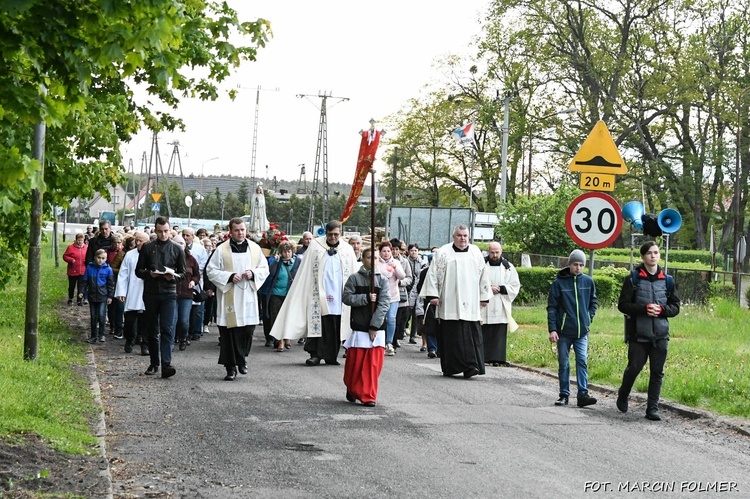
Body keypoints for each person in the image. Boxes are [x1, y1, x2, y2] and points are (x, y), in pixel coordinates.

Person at [270, 220, 359, 366]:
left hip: (339, 294)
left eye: (336, 234)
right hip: (318, 292)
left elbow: (353, 272)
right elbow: (305, 270)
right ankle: (315, 355)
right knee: (318, 323)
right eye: (330, 234)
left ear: (340, 234)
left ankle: (331, 355)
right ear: (326, 233)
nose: (333, 237)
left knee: (335, 324)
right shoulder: (316, 246)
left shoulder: (347, 249)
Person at [616, 241, 681, 421]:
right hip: (638, 334)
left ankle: (652, 408)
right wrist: (644, 309)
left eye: (656, 253)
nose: (653, 256)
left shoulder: (667, 280)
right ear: (643, 256)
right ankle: (623, 393)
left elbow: (675, 307)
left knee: (657, 372)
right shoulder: (633, 279)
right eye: (649, 253)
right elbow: (623, 305)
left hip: (660, 335)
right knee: (634, 368)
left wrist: (661, 310)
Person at [419, 225, 491, 378]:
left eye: (465, 235)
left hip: (471, 301)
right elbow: (432, 275)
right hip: (449, 301)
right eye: (459, 235)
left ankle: (472, 366)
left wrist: (484, 295)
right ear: (454, 236)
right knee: (452, 334)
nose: (462, 238)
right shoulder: (443, 252)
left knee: (471, 333)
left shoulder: (475, 252)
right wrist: (433, 295)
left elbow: (484, 275)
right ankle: (451, 366)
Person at [206, 217, 269, 381]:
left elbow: (264, 269)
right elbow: (211, 270)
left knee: (247, 330)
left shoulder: (254, 248)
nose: (240, 233)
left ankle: (242, 359)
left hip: (248, 295)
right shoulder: (221, 249)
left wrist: (253, 274)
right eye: (237, 230)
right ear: (231, 232)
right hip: (230, 295)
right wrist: (229, 276)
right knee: (229, 333)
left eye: (242, 230)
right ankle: (231, 368)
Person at [135, 216, 186, 379]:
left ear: (170, 230)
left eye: (166, 231)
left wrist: (173, 277)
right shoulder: (148, 247)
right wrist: (149, 273)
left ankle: (166, 363)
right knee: (152, 329)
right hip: (151, 291)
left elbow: (183, 273)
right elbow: (138, 270)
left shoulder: (177, 249)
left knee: (167, 328)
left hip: (169, 292)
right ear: (155, 231)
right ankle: (154, 362)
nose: (163, 234)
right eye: (160, 231)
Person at [547, 249, 598, 407]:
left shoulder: (588, 282)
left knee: (582, 360)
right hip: (563, 332)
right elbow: (552, 308)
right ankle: (564, 394)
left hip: (582, 331)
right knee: (564, 363)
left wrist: (588, 318)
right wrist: (553, 329)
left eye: (582, 265)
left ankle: (583, 394)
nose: (578, 268)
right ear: (569, 264)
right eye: (576, 264)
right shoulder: (559, 284)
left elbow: (593, 302)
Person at [342, 247, 390, 406]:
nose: (373, 261)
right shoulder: (354, 279)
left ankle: (368, 395)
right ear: (363, 260)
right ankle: (353, 387)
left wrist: (375, 325)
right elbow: (347, 298)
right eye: (370, 258)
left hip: (376, 328)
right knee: (356, 364)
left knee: (372, 365)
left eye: (376, 258)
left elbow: (384, 304)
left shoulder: (383, 280)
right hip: (360, 325)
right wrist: (366, 298)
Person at [482, 242, 521, 366]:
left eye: (497, 252)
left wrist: (502, 288)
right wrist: (488, 288)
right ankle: (483, 357)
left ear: (501, 252)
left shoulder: (508, 267)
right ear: (488, 251)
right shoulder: (482, 265)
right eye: (492, 252)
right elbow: (475, 282)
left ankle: (497, 358)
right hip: (486, 303)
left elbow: (515, 285)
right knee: (484, 330)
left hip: (500, 301)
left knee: (499, 331)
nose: (494, 255)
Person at [259, 241, 301, 351]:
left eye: (289, 251)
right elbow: (270, 273)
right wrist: (275, 261)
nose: (287, 254)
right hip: (276, 294)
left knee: (289, 317)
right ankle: (280, 341)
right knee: (276, 317)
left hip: (291, 295)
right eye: (284, 252)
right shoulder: (277, 262)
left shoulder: (298, 262)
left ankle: (287, 338)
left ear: (292, 251)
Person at [115, 232, 150, 355]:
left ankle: (145, 344)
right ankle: (130, 340)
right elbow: (123, 274)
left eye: (141, 241)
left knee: (146, 322)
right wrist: (121, 291)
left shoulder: (153, 254)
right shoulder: (130, 255)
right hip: (133, 291)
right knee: (130, 321)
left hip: (148, 292)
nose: (138, 243)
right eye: (137, 240)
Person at [80, 249, 114, 343]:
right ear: (95, 257)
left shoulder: (108, 269)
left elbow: (111, 284)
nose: (100, 260)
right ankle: (93, 336)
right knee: (93, 316)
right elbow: (85, 281)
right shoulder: (90, 268)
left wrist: (110, 296)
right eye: (99, 258)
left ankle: (102, 334)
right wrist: (81, 292)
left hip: (102, 295)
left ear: (106, 259)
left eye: (103, 258)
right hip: (92, 295)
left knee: (101, 315)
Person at [377, 241, 405, 356]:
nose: (386, 253)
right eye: (384, 251)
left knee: (391, 318)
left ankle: (389, 342)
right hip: (380, 296)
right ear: (380, 252)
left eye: (388, 251)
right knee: (381, 319)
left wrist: (396, 267)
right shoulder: (376, 262)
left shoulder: (396, 262)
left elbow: (402, 276)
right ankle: (380, 342)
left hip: (393, 296)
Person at [172, 235, 200, 351]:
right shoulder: (168, 257)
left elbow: (197, 274)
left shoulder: (191, 259)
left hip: (186, 294)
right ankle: (171, 340)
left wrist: (193, 281)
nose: (179, 245)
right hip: (171, 293)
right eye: (177, 243)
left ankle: (183, 338)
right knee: (172, 319)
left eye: (182, 243)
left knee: (183, 320)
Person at [182, 227, 208, 342]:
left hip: (195, 281)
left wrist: (193, 273)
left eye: (188, 235)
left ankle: (196, 331)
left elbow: (203, 264)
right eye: (184, 235)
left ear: (193, 237)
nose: (185, 237)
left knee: (197, 309)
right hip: (182, 284)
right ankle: (184, 333)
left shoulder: (200, 249)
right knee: (184, 310)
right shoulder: (178, 248)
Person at [389, 238, 412, 349]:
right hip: (388, 292)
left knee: (398, 319)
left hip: (400, 293)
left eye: (396, 249)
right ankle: (389, 339)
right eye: (392, 249)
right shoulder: (385, 260)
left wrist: (400, 282)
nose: (394, 252)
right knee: (389, 318)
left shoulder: (404, 262)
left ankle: (395, 339)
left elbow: (409, 278)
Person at [406, 243, 425, 344]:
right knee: (407, 312)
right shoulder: (406, 262)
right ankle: (403, 328)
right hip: (407, 288)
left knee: (416, 313)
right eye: (412, 250)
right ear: (408, 252)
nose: (414, 252)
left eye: (416, 251)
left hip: (417, 288)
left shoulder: (421, 262)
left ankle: (413, 335)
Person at [62, 233, 87, 306]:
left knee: (81, 286)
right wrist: (71, 260)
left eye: (81, 240)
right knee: (72, 286)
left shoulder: (86, 247)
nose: (80, 242)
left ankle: (79, 300)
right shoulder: (70, 247)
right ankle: (70, 298)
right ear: (76, 240)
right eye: (78, 240)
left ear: (84, 240)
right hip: (72, 270)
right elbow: (65, 256)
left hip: (82, 270)